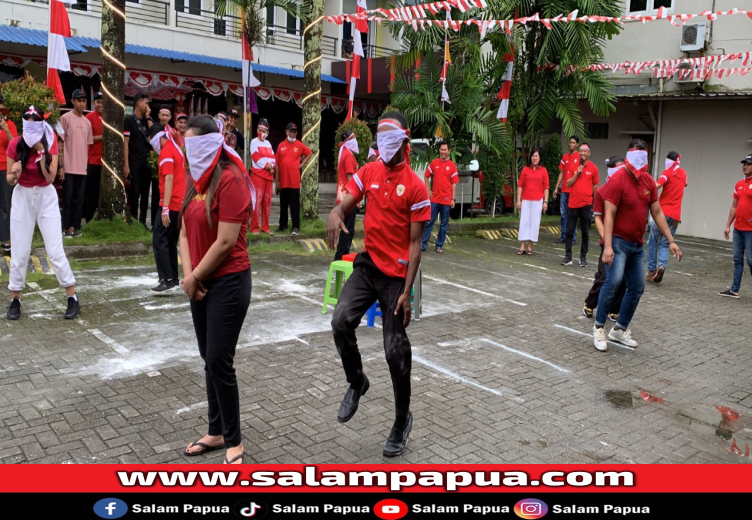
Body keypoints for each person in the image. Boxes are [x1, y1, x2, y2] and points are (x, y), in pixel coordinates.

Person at [327, 110, 430, 457]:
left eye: (390, 136)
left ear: (404, 138)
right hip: (368, 265)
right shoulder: (369, 171)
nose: (384, 143)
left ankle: (402, 419)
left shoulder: (416, 186)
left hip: (397, 275)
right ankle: (357, 382)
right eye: (379, 136)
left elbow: (415, 245)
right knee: (340, 320)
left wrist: (407, 293)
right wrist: (336, 212)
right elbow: (347, 200)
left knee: (394, 351)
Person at [179, 115, 253, 465]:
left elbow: (225, 242)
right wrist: (188, 276)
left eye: (195, 145)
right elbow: (182, 233)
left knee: (220, 359)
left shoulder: (231, 179)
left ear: (212, 144)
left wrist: (194, 278)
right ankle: (216, 430)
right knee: (208, 358)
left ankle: (234, 441)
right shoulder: (195, 181)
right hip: (199, 280)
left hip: (229, 280)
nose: (188, 151)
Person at [592, 139, 682, 351]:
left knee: (637, 287)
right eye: (637, 155)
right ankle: (599, 327)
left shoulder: (649, 182)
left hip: (636, 246)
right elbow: (609, 214)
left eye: (644, 155)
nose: (641, 161)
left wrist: (671, 240)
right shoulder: (617, 181)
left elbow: (657, 212)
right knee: (613, 281)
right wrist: (607, 245)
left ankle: (619, 329)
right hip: (619, 242)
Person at [5, 106, 79, 320]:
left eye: (33, 121)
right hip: (22, 196)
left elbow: (50, 178)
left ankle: (72, 296)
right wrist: (15, 175)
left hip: (46, 196)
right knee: (20, 250)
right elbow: (9, 179)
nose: (29, 125)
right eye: (26, 121)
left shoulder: (50, 140)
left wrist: (41, 156)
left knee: (55, 251)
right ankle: (15, 299)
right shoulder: (15, 144)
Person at [583, 157, 627, 320]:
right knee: (604, 277)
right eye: (619, 169)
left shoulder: (626, 191)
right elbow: (599, 219)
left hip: (624, 242)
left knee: (622, 280)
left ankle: (614, 309)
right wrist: (606, 239)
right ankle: (590, 303)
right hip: (608, 243)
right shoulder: (602, 192)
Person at [149, 124, 186, 295]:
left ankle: (167, 280)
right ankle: (173, 278)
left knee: (159, 240)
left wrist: (165, 208)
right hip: (178, 204)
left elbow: (169, 178)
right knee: (170, 241)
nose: (154, 147)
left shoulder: (166, 151)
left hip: (170, 204)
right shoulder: (176, 149)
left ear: (158, 138)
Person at [647, 151, 687, 283]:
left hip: (663, 213)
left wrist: (647, 192)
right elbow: (684, 184)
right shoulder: (683, 173)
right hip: (676, 216)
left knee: (652, 240)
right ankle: (662, 265)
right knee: (665, 243)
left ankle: (651, 270)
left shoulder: (667, 173)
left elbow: (657, 185)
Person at [60, 89, 94, 238]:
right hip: (68, 166)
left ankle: (74, 227)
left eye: (83, 100)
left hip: (82, 167)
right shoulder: (65, 118)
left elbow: (87, 144)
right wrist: (60, 165)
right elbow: (60, 143)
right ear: (72, 101)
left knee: (79, 200)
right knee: (67, 198)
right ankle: (65, 227)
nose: (81, 103)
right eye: (78, 100)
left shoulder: (87, 122)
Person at [719, 154, 752, 298]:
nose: (745, 166)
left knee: (751, 260)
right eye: (744, 164)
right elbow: (734, 206)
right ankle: (734, 289)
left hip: (751, 231)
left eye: (748, 164)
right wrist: (728, 225)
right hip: (738, 229)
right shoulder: (738, 184)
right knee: (737, 259)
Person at [562, 142, 598, 267]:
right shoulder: (573, 167)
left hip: (586, 205)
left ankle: (583, 257)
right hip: (573, 204)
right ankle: (568, 256)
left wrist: (588, 195)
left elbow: (596, 185)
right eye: (581, 150)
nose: (583, 153)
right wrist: (577, 173)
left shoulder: (593, 168)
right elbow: (567, 184)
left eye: (585, 151)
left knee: (585, 232)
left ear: (589, 153)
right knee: (569, 231)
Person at [274, 122, 311, 235]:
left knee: (295, 206)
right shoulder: (281, 145)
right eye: (291, 131)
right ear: (286, 132)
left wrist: (302, 164)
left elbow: (309, 153)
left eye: (294, 131)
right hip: (283, 182)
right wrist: (277, 182)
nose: (292, 133)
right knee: (283, 206)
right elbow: (277, 165)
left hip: (294, 182)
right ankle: (283, 225)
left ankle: (295, 227)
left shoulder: (299, 145)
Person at [422, 141, 458, 253]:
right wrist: (428, 189)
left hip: (447, 200)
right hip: (434, 199)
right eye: (441, 149)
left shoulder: (452, 166)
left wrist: (453, 199)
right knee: (428, 222)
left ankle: (439, 245)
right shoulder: (434, 163)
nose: (443, 151)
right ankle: (423, 245)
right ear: (439, 150)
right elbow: (426, 175)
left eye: (445, 150)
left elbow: (454, 183)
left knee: (444, 224)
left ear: (449, 151)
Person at [124, 93, 153, 226]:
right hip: (134, 160)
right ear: (138, 103)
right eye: (145, 103)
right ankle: (134, 220)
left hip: (147, 160)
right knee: (135, 192)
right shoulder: (128, 120)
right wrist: (126, 165)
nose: (147, 106)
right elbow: (125, 143)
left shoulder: (147, 120)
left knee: (146, 192)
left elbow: (153, 138)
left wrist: (147, 118)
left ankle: (142, 221)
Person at [516, 148, 549, 255]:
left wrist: (546, 201)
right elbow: (520, 185)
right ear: (530, 157)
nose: (534, 158)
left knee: (534, 223)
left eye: (536, 156)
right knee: (524, 221)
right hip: (526, 199)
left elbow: (546, 187)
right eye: (533, 156)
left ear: (539, 158)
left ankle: (530, 245)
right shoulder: (525, 169)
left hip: (538, 200)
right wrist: (518, 201)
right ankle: (522, 245)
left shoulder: (543, 170)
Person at [333, 129, 359, 260]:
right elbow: (350, 179)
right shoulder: (348, 155)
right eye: (353, 138)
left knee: (345, 229)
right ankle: (341, 256)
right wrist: (356, 198)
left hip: (342, 195)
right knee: (348, 230)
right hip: (347, 196)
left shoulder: (343, 152)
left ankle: (340, 255)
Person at [250, 119, 275, 236]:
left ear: (267, 132)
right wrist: (267, 166)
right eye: (260, 130)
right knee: (257, 201)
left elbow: (273, 158)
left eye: (264, 131)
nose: (261, 132)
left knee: (267, 203)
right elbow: (256, 157)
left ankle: (266, 227)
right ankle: (254, 228)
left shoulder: (268, 144)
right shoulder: (253, 142)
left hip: (268, 176)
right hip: (258, 175)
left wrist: (271, 165)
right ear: (257, 131)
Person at [0, 93, 18, 253]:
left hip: (4, 167)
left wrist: (5, 128)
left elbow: (14, 145)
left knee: (5, 204)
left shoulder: (10, 124)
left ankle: (5, 239)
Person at [554, 136, 580, 244]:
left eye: (573, 143)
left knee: (572, 214)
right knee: (563, 213)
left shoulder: (579, 157)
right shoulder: (564, 157)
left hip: (573, 190)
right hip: (564, 190)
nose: (571, 144)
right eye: (570, 142)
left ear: (577, 144)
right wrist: (556, 188)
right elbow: (561, 173)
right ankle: (563, 235)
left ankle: (572, 237)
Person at [83, 91, 103, 223]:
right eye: (98, 102)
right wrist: (103, 137)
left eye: (103, 102)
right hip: (93, 161)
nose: (101, 104)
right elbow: (87, 138)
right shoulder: (89, 117)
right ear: (94, 103)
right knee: (91, 193)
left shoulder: (109, 117)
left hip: (106, 162)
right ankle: (89, 219)